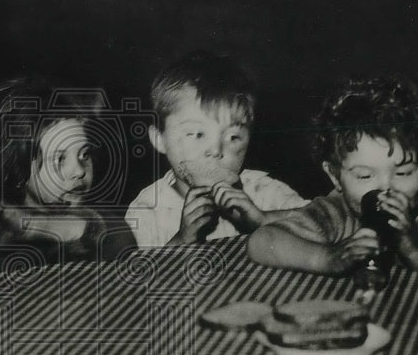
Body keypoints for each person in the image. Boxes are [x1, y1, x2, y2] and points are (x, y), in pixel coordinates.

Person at [247, 77, 418, 278]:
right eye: (365, 176)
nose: (385, 187)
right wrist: (329, 258)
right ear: (335, 177)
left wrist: (415, 251)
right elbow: (262, 242)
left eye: (403, 172)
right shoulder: (335, 213)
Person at [125, 51, 307, 247]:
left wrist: (263, 219)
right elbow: (136, 274)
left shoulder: (264, 192)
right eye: (197, 134)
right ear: (159, 139)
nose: (216, 150)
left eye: (233, 137)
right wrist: (182, 240)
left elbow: (324, 223)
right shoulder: (147, 210)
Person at [0, 77, 136, 262]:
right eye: (60, 159)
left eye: (85, 155)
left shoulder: (108, 227)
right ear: (18, 170)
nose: (79, 171)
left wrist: (38, 225)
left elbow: (119, 241)